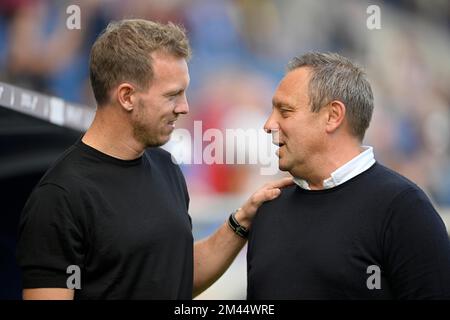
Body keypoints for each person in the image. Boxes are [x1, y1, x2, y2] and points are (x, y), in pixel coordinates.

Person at [16, 19, 293, 300]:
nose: (184, 107)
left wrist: (242, 219)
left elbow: (177, 275)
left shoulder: (166, 167)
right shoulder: (60, 196)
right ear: (127, 97)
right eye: (172, 95)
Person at [247, 52, 450, 299]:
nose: (268, 124)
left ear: (333, 116)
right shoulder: (270, 209)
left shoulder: (404, 209)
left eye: (285, 111)